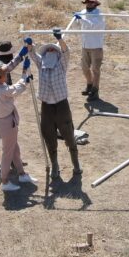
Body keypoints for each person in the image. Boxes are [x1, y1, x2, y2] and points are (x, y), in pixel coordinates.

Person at [27, 29, 81, 179]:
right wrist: (30, 45)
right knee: (49, 135)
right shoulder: (42, 63)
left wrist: (59, 39)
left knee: (69, 134)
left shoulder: (61, 64)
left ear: (57, 54)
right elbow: (32, 54)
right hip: (47, 107)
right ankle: (55, 166)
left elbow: (66, 51)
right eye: (48, 50)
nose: (50, 51)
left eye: (53, 49)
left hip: (61, 105)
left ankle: (76, 164)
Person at [0, 47, 38, 192]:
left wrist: (22, 64)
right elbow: (17, 88)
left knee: (15, 150)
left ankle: (21, 174)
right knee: (8, 153)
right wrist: (24, 75)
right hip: (6, 124)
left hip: (6, 123)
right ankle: (4, 181)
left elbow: (13, 82)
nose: (6, 75)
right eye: (4, 75)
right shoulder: (2, 90)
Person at [72, 0, 106, 101]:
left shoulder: (99, 15)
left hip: (96, 46)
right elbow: (77, 26)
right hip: (85, 45)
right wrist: (76, 19)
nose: (89, 3)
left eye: (91, 2)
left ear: (95, 3)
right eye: (87, 1)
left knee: (95, 70)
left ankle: (95, 91)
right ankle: (89, 85)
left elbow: (93, 26)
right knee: (84, 67)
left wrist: (81, 19)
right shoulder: (82, 12)